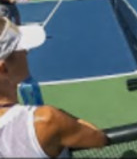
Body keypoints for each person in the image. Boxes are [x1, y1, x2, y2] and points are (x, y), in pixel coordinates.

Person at [0, 17, 107, 157]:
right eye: (20, 48)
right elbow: (99, 139)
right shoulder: (47, 121)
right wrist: (64, 117)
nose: (26, 52)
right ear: (4, 69)